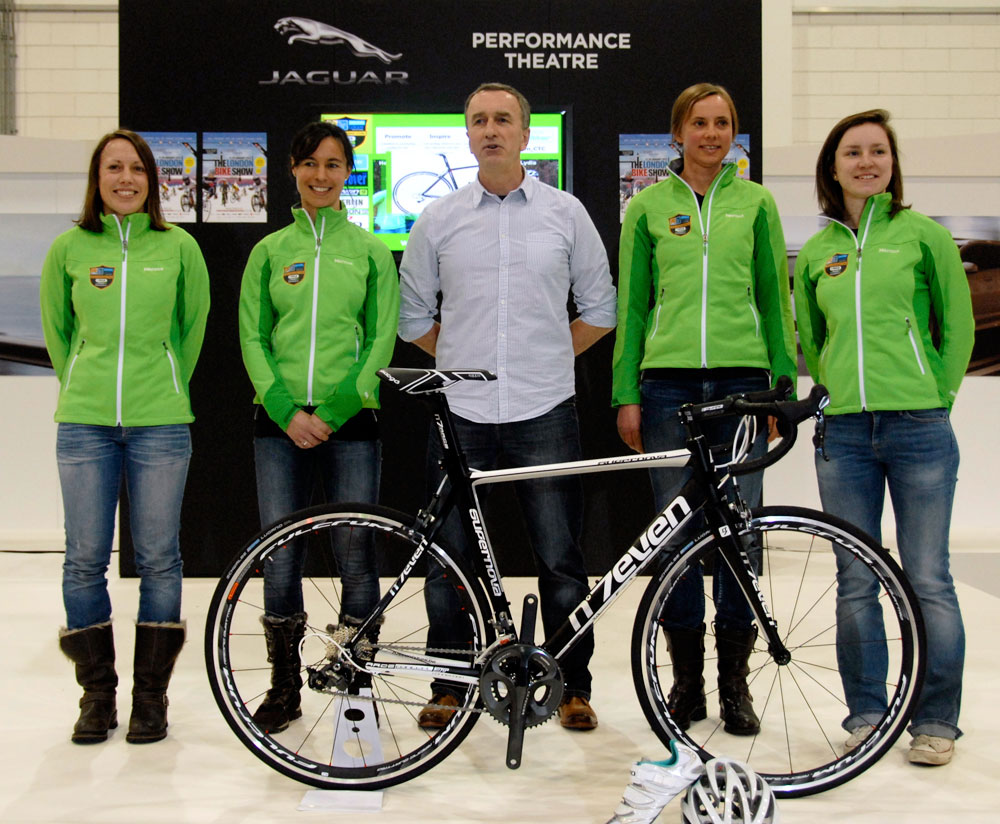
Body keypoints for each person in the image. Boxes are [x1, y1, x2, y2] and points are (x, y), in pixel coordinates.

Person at [398, 82, 617, 731]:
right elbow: (414, 318)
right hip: (460, 413)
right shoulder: (438, 219)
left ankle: (572, 684)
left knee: (560, 556)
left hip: (543, 407)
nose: (490, 130)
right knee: (449, 556)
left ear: (526, 134)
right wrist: (464, 359)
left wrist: (548, 356)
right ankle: (447, 682)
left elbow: (601, 310)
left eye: (503, 120)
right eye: (478, 121)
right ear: (467, 135)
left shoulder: (566, 214)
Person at [612, 83, 796, 736]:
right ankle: (686, 683)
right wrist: (625, 392)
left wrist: (780, 388)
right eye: (700, 122)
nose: (712, 133)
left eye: (723, 123)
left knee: (740, 531)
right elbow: (631, 307)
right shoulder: (649, 207)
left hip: (743, 385)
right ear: (677, 134)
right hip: (665, 388)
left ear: (734, 134)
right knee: (679, 533)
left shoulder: (757, 204)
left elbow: (776, 300)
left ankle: (733, 683)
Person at [793, 109, 973, 766]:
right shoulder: (818, 252)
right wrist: (836, 393)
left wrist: (937, 396)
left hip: (920, 428)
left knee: (928, 577)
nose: (866, 162)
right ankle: (868, 712)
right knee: (855, 579)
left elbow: (957, 330)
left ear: (892, 164)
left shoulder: (923, 236)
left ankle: (936, 721)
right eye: (853, 153)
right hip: (843, 436)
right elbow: (812, 336)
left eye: (878, 152)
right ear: (832, 167)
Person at [41, 129, 210, 745]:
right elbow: (59, 334)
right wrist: (84, 384)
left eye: (136, 168)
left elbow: (191, 331)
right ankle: (96, 697)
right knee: (84, 558)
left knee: (160, 557)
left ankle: (150, 700)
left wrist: (163, 386)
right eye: (114, 167)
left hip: (160, 423)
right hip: (84, 423)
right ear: (98, 177)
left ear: (151, 180)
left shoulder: (178, 247)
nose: (126, 178)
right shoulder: (69, 247)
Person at [239, 121, 399, 733]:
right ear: (292, 168)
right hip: (278, 423)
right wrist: (285, 410)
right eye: (310, 163)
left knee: (356, 552)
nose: (321, 175)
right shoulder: (269, 252)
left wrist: (332, 411)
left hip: (351, 421)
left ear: (347, 172)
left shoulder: (371, 251)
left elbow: (380, 338)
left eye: (334, 164)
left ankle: (356, 675)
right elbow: (252, 337)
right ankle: (283, 688)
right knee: (279, 557)